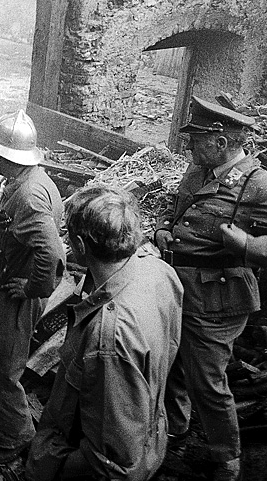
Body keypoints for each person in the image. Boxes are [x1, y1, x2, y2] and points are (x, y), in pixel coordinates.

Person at [25, 185, 183, 481]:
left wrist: (57, 471)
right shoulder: (160, 272)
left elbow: (110, 461)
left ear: (82, 246)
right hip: (152, 432)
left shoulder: (109, 335)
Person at [155, 96, 267, 481]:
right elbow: (177, 212)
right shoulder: (197, 170)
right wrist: (164, 230)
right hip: (181, 291)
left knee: (208, 382)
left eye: (196, 139)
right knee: (173, 368)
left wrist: (249, 247)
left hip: (219, 300)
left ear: (220, 142)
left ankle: (227, 460)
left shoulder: (256, 183)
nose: (188, 146)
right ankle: (176, 429)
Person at [0, 110, 66, 464]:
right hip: (3, 290)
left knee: (0, 370)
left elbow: (51, 251)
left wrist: (33, 288)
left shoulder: (29, 195)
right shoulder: (25, 181)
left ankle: (15, 440)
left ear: (6, 157)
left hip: (15, 296)